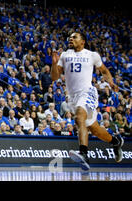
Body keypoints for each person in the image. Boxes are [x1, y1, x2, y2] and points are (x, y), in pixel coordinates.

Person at [51, 32, 124, 170]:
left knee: (79, 117)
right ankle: (115, 141)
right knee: (94, 129)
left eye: (75, 37)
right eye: (70, 37)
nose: (71, 39)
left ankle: (84, 153)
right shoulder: (65, 55)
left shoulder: (92, 55)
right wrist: (54, 64)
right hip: (73, 97)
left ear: (83, 41)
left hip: (88, 92)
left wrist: (111, 83)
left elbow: (104, 70)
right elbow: (55, 77)